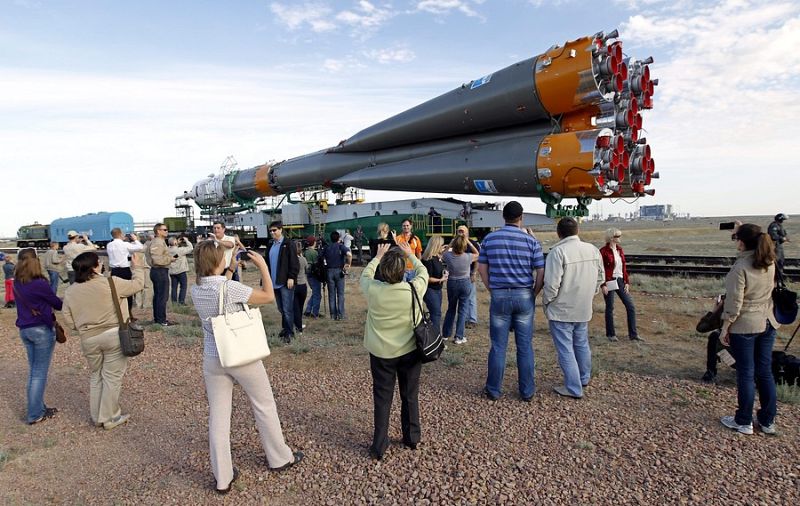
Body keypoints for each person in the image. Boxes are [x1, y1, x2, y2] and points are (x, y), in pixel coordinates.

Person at [191, 240, 303, 493]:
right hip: (242, 355)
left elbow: (217, 287)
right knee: (263, 404)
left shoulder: (195, 289)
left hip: (213, 357)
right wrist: (263, 266)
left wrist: (228, 270)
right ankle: (279, 457)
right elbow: (267, 296)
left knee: (218, 417)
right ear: (217, 261)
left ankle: (223, 477)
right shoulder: (231, 289)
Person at [360, 241, 428, 460]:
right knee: (410, 394)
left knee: (382, 397)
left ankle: (379, 444)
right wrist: (411, 254)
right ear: (402, 270)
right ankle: (412, 437)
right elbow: (423, 271)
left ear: (384, 270)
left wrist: (377, 256)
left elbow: (365, 275)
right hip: (409, 350)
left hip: (381, 352)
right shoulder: (413, 288)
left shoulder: (373, 290)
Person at [62, 251, 145, 430]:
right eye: (98, 261)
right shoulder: (110, 282)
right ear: (94, 266)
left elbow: (67, 317)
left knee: (96, 375)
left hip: (88, 338)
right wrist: (137, 267)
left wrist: (81, 328)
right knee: (112, 377)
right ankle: (110, 417)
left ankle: (97, 416)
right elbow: (138, 284)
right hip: (113, 335)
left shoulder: (70, 291)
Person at [477, 201, 544, 401]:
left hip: (500, 295)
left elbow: (482, 268)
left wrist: (492, 289)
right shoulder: (532, 242)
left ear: (503, 217)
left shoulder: (490, 239)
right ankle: (527, 391)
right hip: (524, 295)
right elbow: (541, 270)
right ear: (521, 217)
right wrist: (534, 293)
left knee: (498, 346)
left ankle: (494, 390)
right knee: (524, 346)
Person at [719, 223, 780, 435]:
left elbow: (734, 303)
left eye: (736, 238)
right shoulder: (769, 261)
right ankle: (767, 421)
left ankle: (743, 421)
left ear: (742, 242)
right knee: (765, 372)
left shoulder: (740, 268)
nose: (735, 241)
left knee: (746, 373)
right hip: (768, 321)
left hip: (745, 325)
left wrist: (725, 326)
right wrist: (742, 228)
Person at [542, 217, 604, 399]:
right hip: (583, 308)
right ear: (577, 230)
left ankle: (573, 387)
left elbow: (551, 284)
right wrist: (590, 294)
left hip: (561, 310)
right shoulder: (592, 249)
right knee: (582, 344)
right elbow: (600, 277)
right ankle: (584, 378)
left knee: (566, 349)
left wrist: (547, 302)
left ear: (558, 233)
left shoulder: (558, 252)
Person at [13, 248, 63, 424]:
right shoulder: (40, 283)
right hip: (41, 330)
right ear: (36, 262)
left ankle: (39, 407)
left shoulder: (17, 283)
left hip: (25, 330)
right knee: (39, 374)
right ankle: (34, 414)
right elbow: (57, 303)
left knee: (34, 372)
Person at [599, 228, 643, 342]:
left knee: (630, 306)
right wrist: (603, 284)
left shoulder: (620, 250)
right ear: (611, 238)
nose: (619, 238)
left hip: (620, 280)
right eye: (617, 236)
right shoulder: (603, 251)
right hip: (609, 281)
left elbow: (623, 267)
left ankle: (633, 335)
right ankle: (611, 334)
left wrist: (627, 282)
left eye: (619, 236)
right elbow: (600, 269)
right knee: (610, 307)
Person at [266, 221, 299, 342]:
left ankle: (289, 333)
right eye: (270, 231)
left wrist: (291, 277)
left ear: (281, 230)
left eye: (274, 230)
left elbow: (294, 262)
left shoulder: (288, 244)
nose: (272, 233)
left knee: (287, 309)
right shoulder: (271, 245)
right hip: (274, 282)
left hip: (285, 282)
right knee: (281, 308)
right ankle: (285, 329)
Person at [442, 235, 478, 344]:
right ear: (464, 246)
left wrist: (450, 244)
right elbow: (478, 254)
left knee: (451, 308)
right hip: (465, 283)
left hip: (452, 282)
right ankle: (459, 336)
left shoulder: (448, 256)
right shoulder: (468, 256)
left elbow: (442, 254)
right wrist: (469, 243)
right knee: (462, 310)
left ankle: (446, 334)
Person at [107, 228, 144, 313]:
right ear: (120, 234)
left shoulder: (109, 245)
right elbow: (140, 247)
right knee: (128, 292)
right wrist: (135, 240)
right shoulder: (124, 244)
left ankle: (119, 312)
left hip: (114, 271)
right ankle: (128, 312)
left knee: (116, 292)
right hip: (124, 270)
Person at [145, 223, 173, 326]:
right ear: (158, 231)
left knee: (158, 295)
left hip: (158, 271)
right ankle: (161, 320)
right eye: (164, 230)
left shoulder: (159, 242)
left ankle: (158, 318)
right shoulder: (158, 242)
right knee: (162, 296)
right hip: (159, 270)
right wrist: (170, 259)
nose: (167, 231)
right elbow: (157, 260)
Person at [421, 235, 447, 335]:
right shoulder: (428, 260)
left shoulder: (437, 258)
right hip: (430, 290)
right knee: (436, 314)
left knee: (436, 314)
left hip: (437, 289)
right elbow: (427, 278)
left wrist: (444, 274)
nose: (443, 247)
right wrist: (441, 279)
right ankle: (436, 338)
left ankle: (434, 337)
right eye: (441, 245)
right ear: (436, 245)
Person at [322, 230, 351, 320]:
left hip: (329, 271)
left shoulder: (327, 247)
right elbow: (349, 254)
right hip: (339, 271)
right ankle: (341, 315)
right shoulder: (341, 246)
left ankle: (333, 315)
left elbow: (321, 258)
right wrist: (348, 264)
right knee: (340, 294)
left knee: (331, 294)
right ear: (338, 238)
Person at [457, 225, 480, 328]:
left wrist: (474, 273)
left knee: (471, 297)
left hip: (469, 274)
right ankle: (464, 318)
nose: (461, 233)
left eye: (463, 231)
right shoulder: (455, 244)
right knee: (462, 298)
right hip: (458, 275)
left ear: (467, 233)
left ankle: (472, 319)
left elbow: (478, 259)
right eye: (459, 231)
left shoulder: (473, 244)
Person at [168, 236, 194, 305]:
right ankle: (181, 301)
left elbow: (174, 252)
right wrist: (186, 240)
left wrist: (176, 243)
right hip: (181, 271)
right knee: (183, 286)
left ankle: (174, 302)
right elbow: (191, 248)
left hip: (172, 272)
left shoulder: (167, 250)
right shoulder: (180, 250)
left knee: (174, 287)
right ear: (175, 242)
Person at [303, 237, 323, 318]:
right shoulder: (314, 252)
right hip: (315, 275)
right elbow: (318, 263)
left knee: (315, 293)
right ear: (314, 242)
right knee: (318, 295)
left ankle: (308, 310)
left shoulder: (305, 252)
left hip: (308, 275)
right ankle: (315, 313)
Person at [293, 241, 308, 335]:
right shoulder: (303, 259)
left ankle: (298, 328)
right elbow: (307, 269)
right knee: (300, 307)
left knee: (295, 308)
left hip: (294, 285)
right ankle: (299, 324)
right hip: (303, 285)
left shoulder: (291, 260)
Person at [135, 233, 154, 310]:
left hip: (137, 267)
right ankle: (147, 304)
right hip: (147, 267)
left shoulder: (134, 246)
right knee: (148, 286)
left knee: (138, 287)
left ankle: (138, 304)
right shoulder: (150, 245)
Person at [768, 213, 789, 279]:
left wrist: (785, 238)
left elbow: (783, 233)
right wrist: (782, 238)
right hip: (775, 246)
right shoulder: (774, 226)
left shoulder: (779, 225)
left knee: (781, 261)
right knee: (777, 262)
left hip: (779, 246)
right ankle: (776, 277)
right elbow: (773, 236)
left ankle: (779, 275)